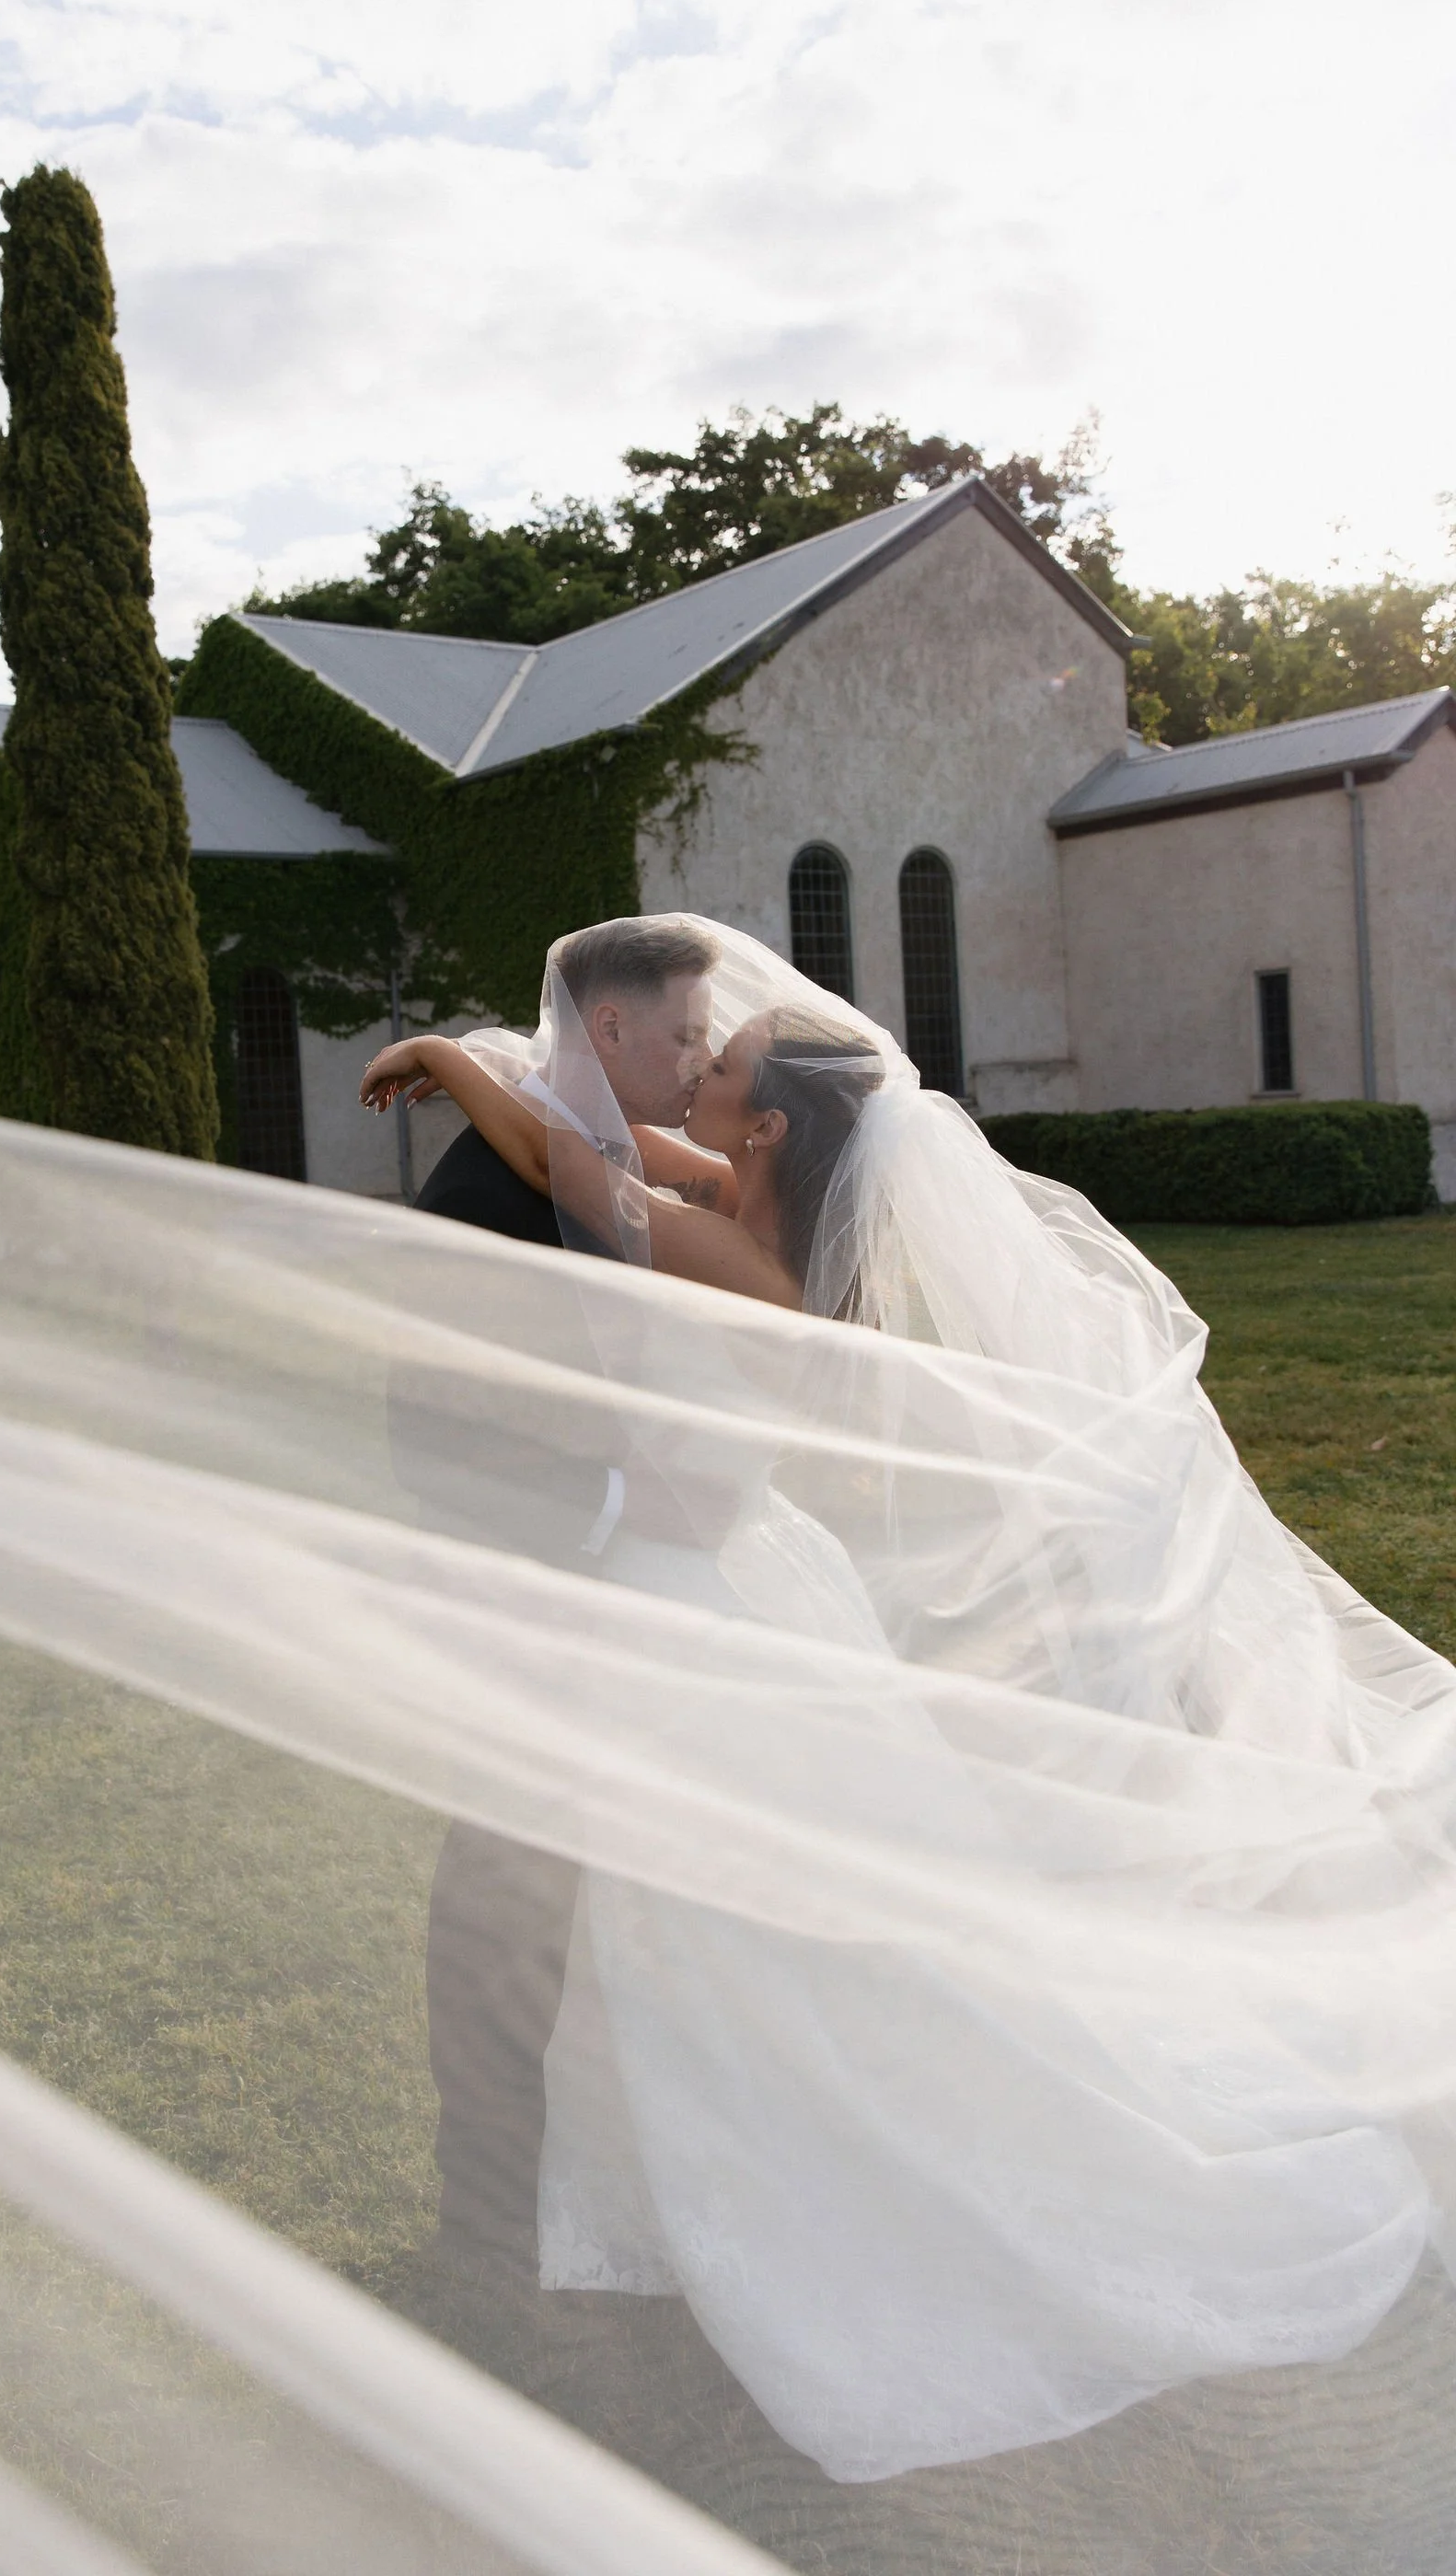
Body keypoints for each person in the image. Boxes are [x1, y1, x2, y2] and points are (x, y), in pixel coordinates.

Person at [364, 912, 1456, 2486]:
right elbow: (588, 1149)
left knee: (757, 1961)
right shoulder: (752, 1209)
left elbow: (561, 1169)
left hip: (701, 1623)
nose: (701, 1067)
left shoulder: (741, 1249)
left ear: (770, 1123)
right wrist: (510, 1071)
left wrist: (455, 1058)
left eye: (720, 1063)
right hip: (728, 1602)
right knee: (715, 1956)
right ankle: (641, 2201)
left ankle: (780, 2212)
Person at [381, 916, 719, 2278]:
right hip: (538, 1602)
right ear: (612, 1033)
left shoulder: (609, 1161)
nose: (700, 1058)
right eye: (684, 1033)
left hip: (636, 1592)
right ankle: (491, 2220)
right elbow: (442, 1429)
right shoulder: (492, 1199)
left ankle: (593, 2188)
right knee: (504, 1915)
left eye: (713, 1039)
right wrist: (626, 1508)